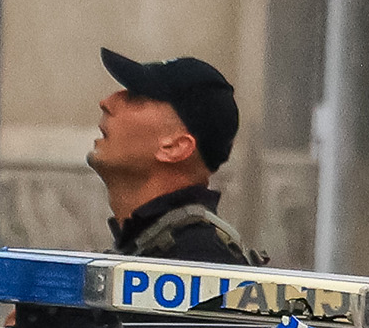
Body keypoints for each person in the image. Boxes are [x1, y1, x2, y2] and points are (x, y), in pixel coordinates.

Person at [89, 48, 260, 265]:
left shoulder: (199, 260)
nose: (107, 101)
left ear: (175, 147)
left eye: (135, 96)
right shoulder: (165, 247)